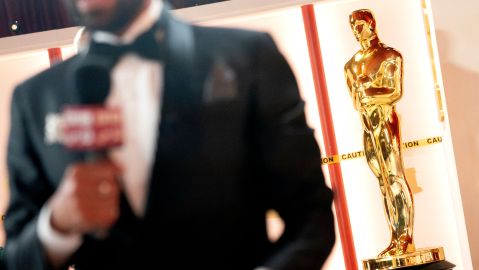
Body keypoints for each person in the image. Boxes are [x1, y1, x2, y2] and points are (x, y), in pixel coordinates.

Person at [4, 0, 335, 269]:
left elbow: (311, 217)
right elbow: (16, 258)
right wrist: (56, 225)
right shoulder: (34, 99)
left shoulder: (249, 57)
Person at [344, 9, 415, 257]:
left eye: (360, 24)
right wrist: (364, 93)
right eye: (352, 25)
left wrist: (368, 89)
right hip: (367, 125)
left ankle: (405, 238)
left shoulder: (389, 55)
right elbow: (355, 101)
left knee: (395, 178)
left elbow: (394, 92)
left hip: (385, 121)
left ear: (371, 24)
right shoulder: (351, 65)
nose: (356, 30)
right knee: (382, 183)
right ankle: (394, 237)